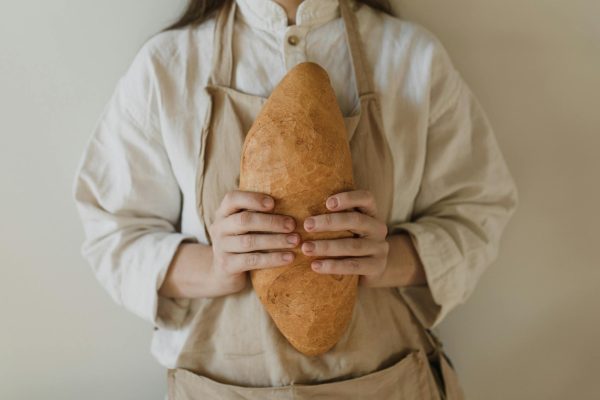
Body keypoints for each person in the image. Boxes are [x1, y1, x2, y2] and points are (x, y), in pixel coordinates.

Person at [72, 0, 519, 398]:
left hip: (385, 382)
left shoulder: (411, 59)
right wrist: (216, 265)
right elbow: (111, 234)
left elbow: (478, 212)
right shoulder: (169, 65)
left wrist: (387, 259)